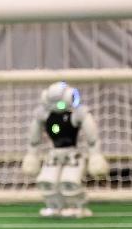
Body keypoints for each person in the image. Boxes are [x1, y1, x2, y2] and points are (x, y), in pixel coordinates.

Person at [21, 82, 108, 218]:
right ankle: (54, 206)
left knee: (70, 181)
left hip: (71, 154)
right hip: (54, 154)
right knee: (46, 182)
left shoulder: (78, 114)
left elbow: (92, 138)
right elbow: (34, 140)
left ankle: (76, 206)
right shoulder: (44, 115)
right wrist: (32, 156)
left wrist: (95, 155)